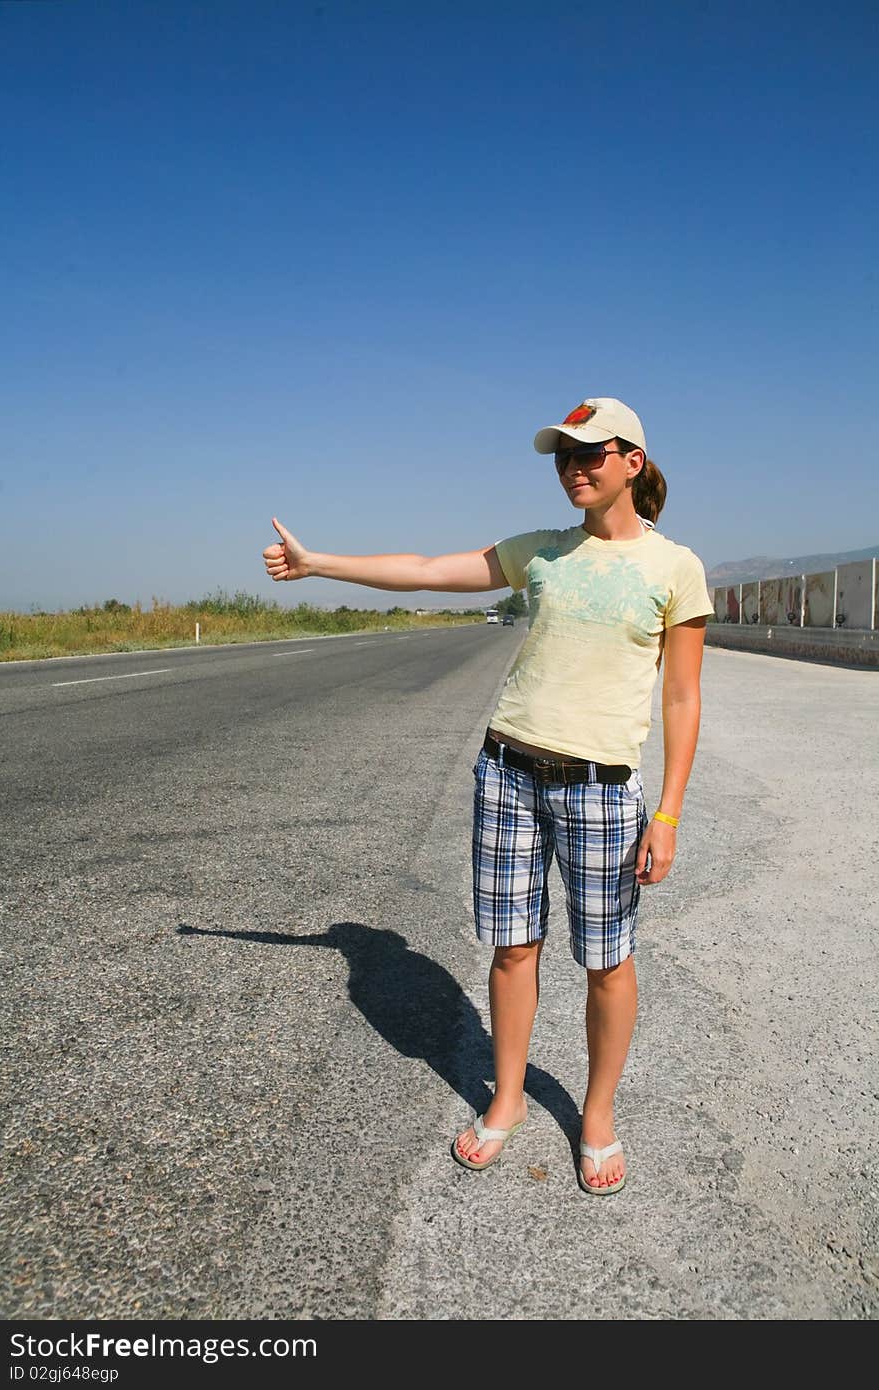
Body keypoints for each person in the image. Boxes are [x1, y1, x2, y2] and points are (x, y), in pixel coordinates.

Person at [263, 395, 713, 1195]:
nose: (574, 467)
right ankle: (506, 1099)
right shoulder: (538, 551)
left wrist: (669, 813)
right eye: (562, 456)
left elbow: (682, 698)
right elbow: (431, 570)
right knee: (513, 948)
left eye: (591, 453)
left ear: (632, 463)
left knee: (607, 960)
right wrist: (318, 563)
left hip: (602, 792)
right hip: (506, 774)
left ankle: (597, 1114)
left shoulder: (675, 568)